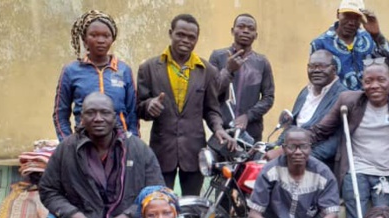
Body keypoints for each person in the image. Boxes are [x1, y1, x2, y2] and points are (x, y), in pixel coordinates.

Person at [41, 92, 165, 218]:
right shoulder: (66, 149)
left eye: (105, 113)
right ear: (81, 118)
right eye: (90, 113)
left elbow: (157, 193)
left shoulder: (137, 149)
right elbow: (48, 190)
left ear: (115, 117)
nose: (98, 118)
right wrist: (75, 216)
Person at [306, 62, 389, 218]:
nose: (374, 86)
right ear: (362, 83)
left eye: (381, 80)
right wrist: (290, 144)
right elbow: (321, 130)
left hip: (387, 173)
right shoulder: (349, 102)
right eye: (368, 81)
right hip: (355, 170)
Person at [137, 14, 232, 196]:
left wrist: (218, 128)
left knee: (193, 209)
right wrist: (149, 106)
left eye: (191, 37)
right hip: (161, 151)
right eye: (180, 35)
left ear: (197, 39)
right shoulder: (149, 68)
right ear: (171, 33)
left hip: (194, 153)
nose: (186, 40)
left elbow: (211, 109)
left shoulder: (207, 71)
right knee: (160, 203)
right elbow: (138, 107)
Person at [247, 127, 349, 218]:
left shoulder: (323, 173)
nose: (298, 152)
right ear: (283, 148)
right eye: (292, 147)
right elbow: (253, 217)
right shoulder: (270, 171)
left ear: (310, 148)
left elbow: (332, 217)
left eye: (303, 147)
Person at [53, 10, 138, 141]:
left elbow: (133, 113)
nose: (101, 40)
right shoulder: (71, 71)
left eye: (106, 35)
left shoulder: (123, 70)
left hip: (120, 143)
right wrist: (68, 144)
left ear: (112, 39)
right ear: (85, 39)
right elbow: (60, 115)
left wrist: (133, 143)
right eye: (94, 35)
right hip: (84, 143)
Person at [269, 50, 348, 166]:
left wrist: (299, 157)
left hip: (318, 164)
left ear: (334, 70)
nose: (316, 70)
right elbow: (292, 126)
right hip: (292, 157)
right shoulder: (305, 92)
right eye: (312, 66)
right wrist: (275, 145)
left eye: (322, 66)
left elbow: (335, 141)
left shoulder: (343, 96)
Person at [209, 14, 275, 142]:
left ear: (256, 35)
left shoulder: (262, 62)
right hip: (221, 131)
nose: (245, 30)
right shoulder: (218, 57)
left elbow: (268, 98)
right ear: (232, 31)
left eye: (250, 28)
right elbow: (211, 92)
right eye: (241, 26)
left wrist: (248, 116)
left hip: (250, 133)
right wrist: (228, 69)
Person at [310, 0, 389, 91]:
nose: (351, 22)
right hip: (336, 102)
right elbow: (317, 80)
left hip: (366, 101)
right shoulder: (321, 44)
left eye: (356, 17)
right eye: (347, 16)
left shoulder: (368, 39)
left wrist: (377, 35)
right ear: (338, 14)